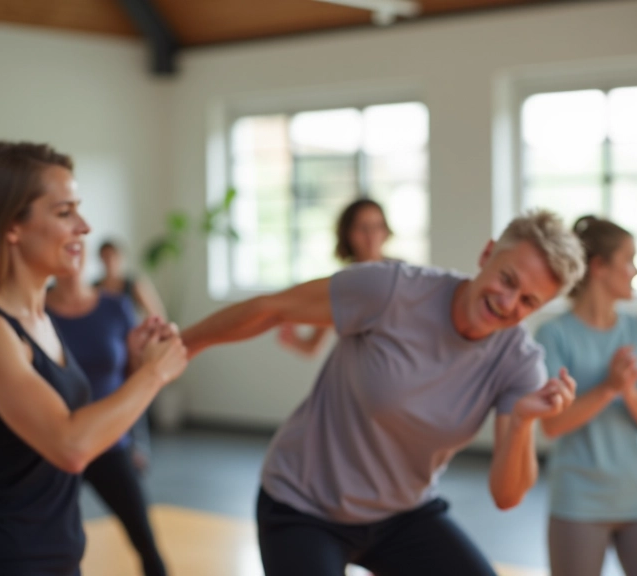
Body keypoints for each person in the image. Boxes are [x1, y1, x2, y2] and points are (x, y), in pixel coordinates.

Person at [182, 209, 583, 576]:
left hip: (403, 515)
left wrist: (523, 423)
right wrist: (181, 348)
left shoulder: (519, 362)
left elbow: (507, 496)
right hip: (304, 505)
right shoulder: (393, 290)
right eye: (507, 279)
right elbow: (273, 308)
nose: (507, 302)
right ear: (487, 253)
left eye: (529, 300)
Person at [0, 141, 186, 575]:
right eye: (64, 213)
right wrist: (155, 374)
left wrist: (138, 363)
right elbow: (71, 445)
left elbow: (84, 422)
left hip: (56, 559)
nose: (84, 227)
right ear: (12, 226)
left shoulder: (40, 320)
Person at [536, 216, 637, 576]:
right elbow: (552, 425)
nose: (636, 270)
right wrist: (609, 388)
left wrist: (627, 390)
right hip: (577, 501)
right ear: (598, 267)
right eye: (628, 260)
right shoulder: (553, 335)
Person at [47, 242, 168, 576]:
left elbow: (131, 374)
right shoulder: (35, 310)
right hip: (56, 445)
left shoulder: (115, 306)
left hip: (111, 443)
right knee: (57, 548)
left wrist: (149, 361)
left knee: (145, 539)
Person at [277, 198, 392, 357]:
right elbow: (312, 348)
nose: (371, 235)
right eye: (363, 228)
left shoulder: (402, 274)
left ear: (386, 231)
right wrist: (291, 339)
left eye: (377, 226)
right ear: (348, 233)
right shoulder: (341, 284)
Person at [95, 240, 166, 319]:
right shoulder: (94, 288)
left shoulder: (135, 285)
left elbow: (156, 313)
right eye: (106, 256)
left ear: (120, 257)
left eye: (113, 256)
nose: (110, 260)